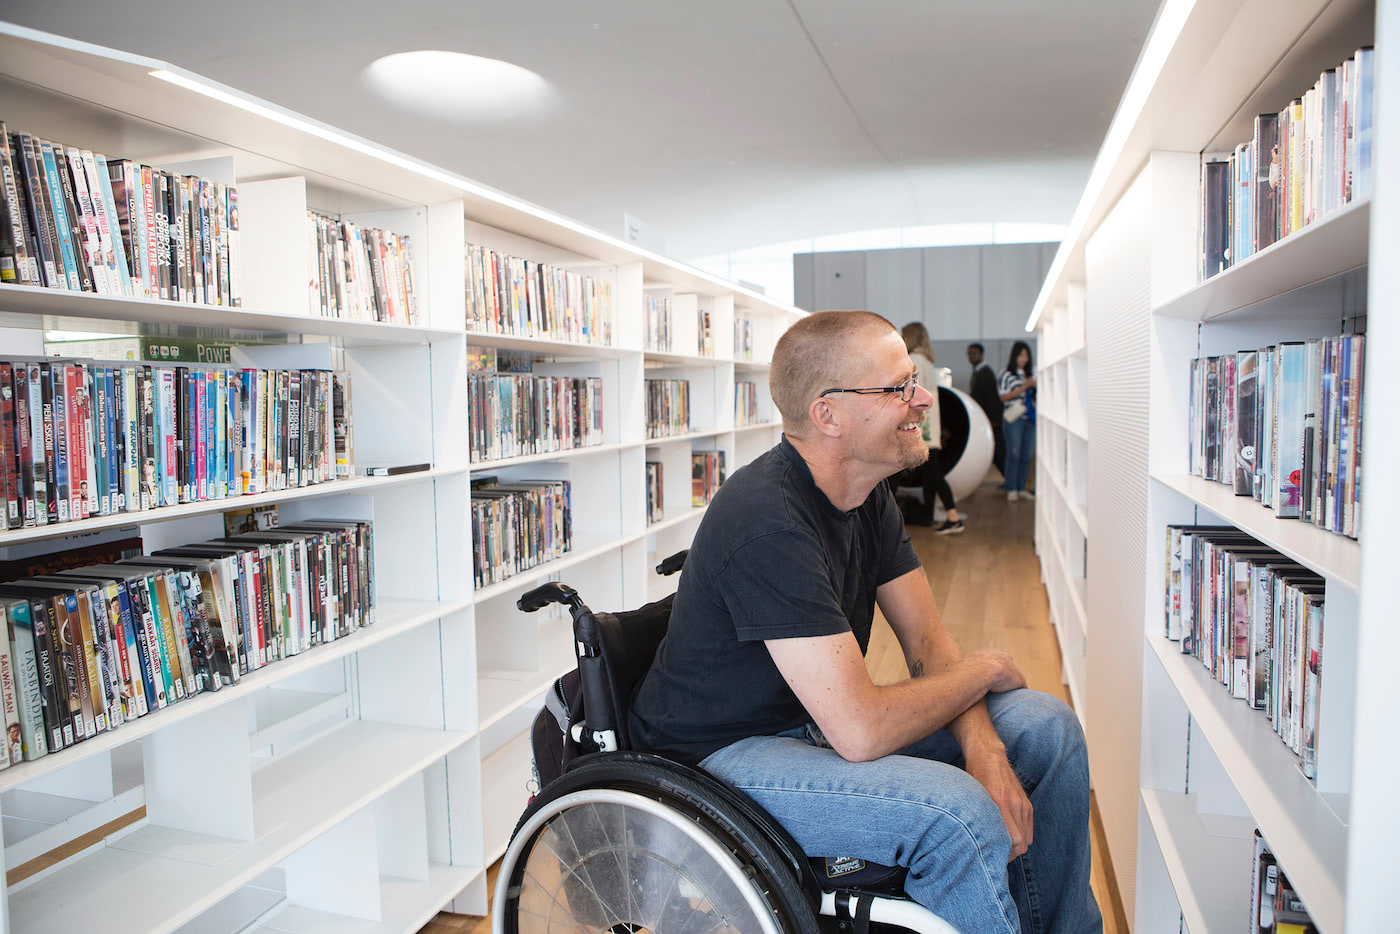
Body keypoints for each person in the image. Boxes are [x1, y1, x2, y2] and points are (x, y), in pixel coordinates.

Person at [630, 311, 1101, 933]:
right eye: (899, 386)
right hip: (718, 758)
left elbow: (928, 642)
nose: (924, 398)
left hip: (813, 726)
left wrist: (984, 746)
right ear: (829, 413)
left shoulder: (865, 493)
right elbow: (860, 730)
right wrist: (984, 669)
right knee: (958, 815)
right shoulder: (768, 520)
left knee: (1047, 728)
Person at [901, 322, 962, 534]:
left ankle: (953, 517)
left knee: (933, 474)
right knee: (930, 474)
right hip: (929, 428)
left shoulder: (913, 362)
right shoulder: (926, 361)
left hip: (921, 427)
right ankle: (929, 517)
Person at [1000, 341, 1037, 501]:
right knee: (1014, 454)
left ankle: (1022, 487)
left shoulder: (1030, 375)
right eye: (1021, 355)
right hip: (1014, 418)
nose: (1024, 359)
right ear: (1015, 356)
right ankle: (1011, 487)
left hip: (1030, 418)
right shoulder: (1006, 374)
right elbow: (1003, 397)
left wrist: (1034, 386)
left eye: (1026, 356)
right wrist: (1024, 387)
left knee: (1027, 455)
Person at [968, 342, 1006, 476]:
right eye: (970, 353)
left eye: (974, 353)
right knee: (996, 452)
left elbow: (992, 397)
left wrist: (995, 419)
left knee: (998, 452)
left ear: (981, 355)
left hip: (991, 420)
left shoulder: (985, 372)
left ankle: (1009, 480)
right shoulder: (979, 371)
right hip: (985, 419)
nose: (971, 356)